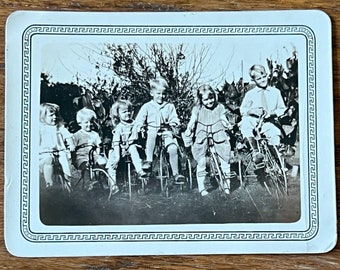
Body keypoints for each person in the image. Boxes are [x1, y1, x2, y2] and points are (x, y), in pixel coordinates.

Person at [183, 84, 233, 196]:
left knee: (225, 159)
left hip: (218, 133)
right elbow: (192, 121)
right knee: (201, 162)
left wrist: (227, 124)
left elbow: (223, 118)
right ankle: (202, 187)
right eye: (206, 100)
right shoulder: (197, 109)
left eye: (211, 98)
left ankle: (226, 185)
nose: (209, 101)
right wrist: (189, 128)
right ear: (201, 100)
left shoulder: (219, 107)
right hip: (202, 135)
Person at [131, 77, 185, 183]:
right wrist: (140, 126)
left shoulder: (169, 106)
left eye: (164, 94)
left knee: (173, 148)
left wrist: (174, 123)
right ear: (152, 93)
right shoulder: (147, 106)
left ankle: (176, 174)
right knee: (151, 134)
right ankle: (149, 161)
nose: (161, 96)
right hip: (151, 132)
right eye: (158, 93)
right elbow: (139, 120)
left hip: (166, 131)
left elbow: (174, 118)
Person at [239, 64, 287, 163]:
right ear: (254, 81)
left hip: (268, 121)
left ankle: (277, 161)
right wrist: (251, 111)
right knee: (245, 124)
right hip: (254, 121)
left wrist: (273, 113)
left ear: (267, 75)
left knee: (274, 133)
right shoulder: (250, 94)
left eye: (264, 77)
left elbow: (282, 108)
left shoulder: (276, 92)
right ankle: (255, 152)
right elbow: (242, 110)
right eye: (259, 79)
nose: (263, 80)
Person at [73, 107, 119, 194]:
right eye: (86, 122)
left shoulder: (95, 134)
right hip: (82, 156)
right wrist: (73, 158)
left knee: (103, 163)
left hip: (94, 155)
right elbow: (73, 148)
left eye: (91, 122)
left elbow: (98, 146)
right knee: (86, 167)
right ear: (80, 123)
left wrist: (98, 154)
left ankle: (108, 183)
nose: (89, 124)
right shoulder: (76, 135)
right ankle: (88, 184)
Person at [106, 100, 147, 185]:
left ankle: (140, 170)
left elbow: (140, 134)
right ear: (118, 114)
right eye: (124, 112)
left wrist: (141, 131)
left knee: (132, 147)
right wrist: (117, 157)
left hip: (133, 147)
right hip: (119, 149)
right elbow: (116, 144)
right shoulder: (119, 128)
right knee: (112, 161)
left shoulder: (135, 124)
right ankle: (113, 185)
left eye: (129, 111)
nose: (127, 113)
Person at [39, 103, 75, 188]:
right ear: (43, 117)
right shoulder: (40, 128)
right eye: (51, 115)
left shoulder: (59, 127)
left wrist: (71, 144)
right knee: (48, 160)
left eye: (56, 115)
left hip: (60, 151)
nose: (55, 117)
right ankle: (49, 182)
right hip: (45, 152)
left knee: (65, 163)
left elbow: (68, 135)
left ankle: (67, 181)